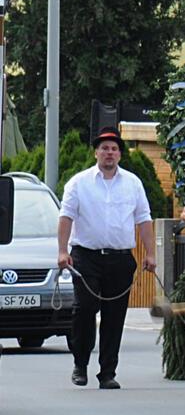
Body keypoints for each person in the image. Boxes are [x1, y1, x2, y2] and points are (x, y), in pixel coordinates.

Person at [57, 127, 155, 389]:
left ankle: (108, 372)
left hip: (120, 258)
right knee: (85, 308)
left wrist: (150, 253)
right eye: (104, 148)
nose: (109, 153)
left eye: (113, 149)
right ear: (96, 153)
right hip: (85, 256)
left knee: (115, 315)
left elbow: (144, 219)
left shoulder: (133, 183)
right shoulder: (79, 182)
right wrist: (62, 251)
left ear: (120, 154)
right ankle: (80, 363)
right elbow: (66, 217)